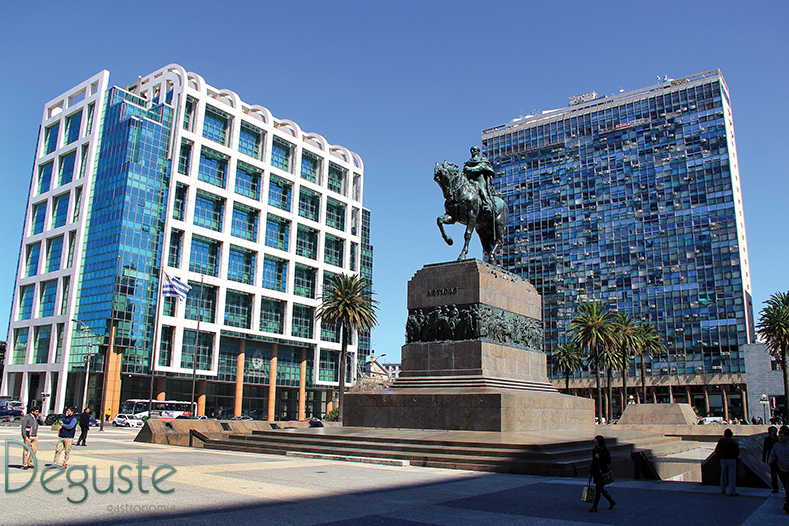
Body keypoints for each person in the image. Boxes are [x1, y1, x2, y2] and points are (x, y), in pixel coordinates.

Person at [462, 145, 496, 213]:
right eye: (471, 150)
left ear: (478, 151)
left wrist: (471, 169)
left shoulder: (482, 160)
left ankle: (487, 204)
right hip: (470, 180)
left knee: (481, 188)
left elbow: (482, 167)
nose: (472, 151)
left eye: (474, 150)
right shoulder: (468, 162)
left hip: (480, 179)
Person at [588, 435, 615, 512]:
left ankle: (595, 507)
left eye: (596, 441)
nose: (595, 443)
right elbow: (593, 462)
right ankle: (611, 501)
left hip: (602, 472)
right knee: (600, 489)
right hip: (596, 472)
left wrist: (600, 457)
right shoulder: (594, 450)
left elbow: (608, 461)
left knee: (598, 489)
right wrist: (590, 472)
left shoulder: (605, 450)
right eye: (595, 441)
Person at [767, 425, 789, 513]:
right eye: (780, 436)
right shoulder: (776, 446)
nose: (780, 438)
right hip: (782, 469)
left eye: (782, 436)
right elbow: (773, 454)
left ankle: (788, 503)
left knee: (788, 486)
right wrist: (770, 460)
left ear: (787, 437)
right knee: (785, 485)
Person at [715, 428, 740, 496]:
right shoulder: (733, 441)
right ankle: (732, 491)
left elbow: (717, 450)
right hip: (732, 459)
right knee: (732, 476)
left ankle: (723, 489)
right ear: (731, 434)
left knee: (723, 474)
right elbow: (737, 451)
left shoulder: (721, 441)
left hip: (723, 459)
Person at [763, 426, 780, 493]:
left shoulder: (778, 438)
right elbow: (765, 449)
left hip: (779, 458)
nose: (774, 432)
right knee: (773, 474)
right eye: (773, 431)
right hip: (771, 458)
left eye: (775, 430)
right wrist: (764, 458)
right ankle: (775, 488)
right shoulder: (767, 439)